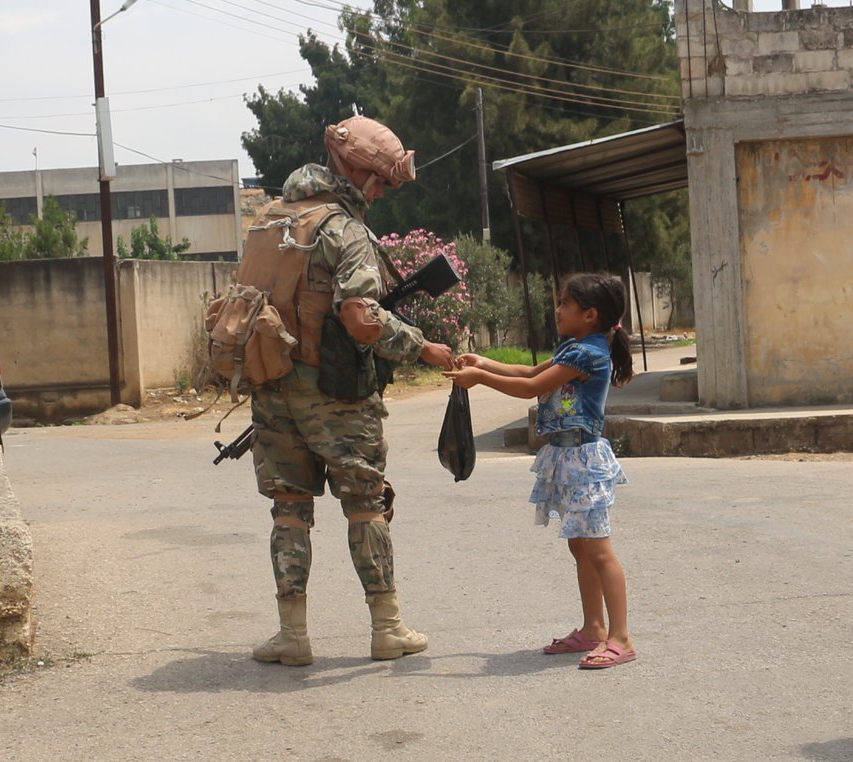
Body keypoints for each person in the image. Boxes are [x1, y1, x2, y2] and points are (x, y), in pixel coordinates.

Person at [249, 116, 454, 666]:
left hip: (272, 386)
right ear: (356, 170)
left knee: (289, 508)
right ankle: (386, 628)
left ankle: (292, 636)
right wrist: (421, 346)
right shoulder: (346, 231)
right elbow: (361, 318)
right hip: (337, 393)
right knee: (365, 505)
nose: (382, 193)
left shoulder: (272, 221)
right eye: (381, 181)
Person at [443, 272, 636, 669]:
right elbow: (531, 374)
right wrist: (485, 362)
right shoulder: (574, 346)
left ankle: (621, 637)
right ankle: (593, 628)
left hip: (584, 461)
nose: (558, 309)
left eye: (565, 303)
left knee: (598, 549)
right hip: (565, 458)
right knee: (579, 545)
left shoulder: (588, 353)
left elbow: (531, 389)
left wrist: (480, 377)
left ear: (590, 314)